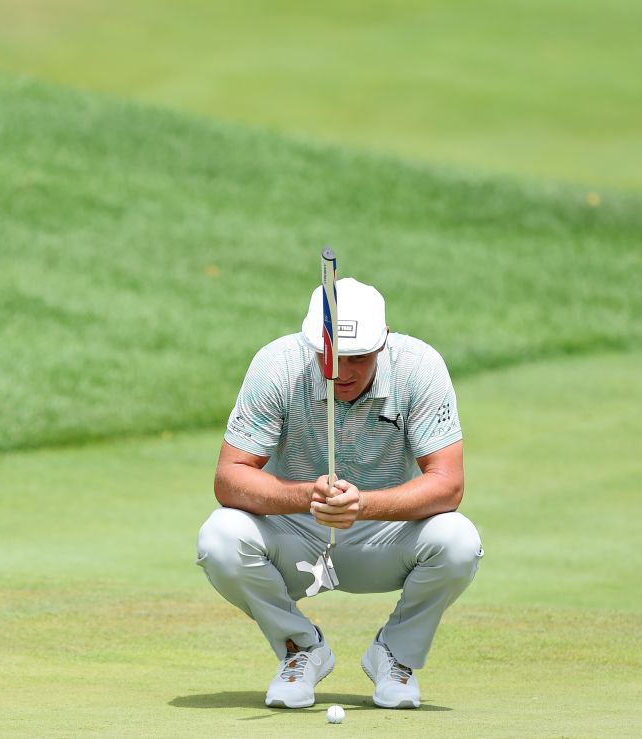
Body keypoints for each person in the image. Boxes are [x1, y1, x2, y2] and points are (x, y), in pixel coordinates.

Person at [196, 277, 483, 710]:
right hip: (295, 538)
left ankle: (395, 656)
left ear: (382, 342)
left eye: (358, 358)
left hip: (381, 539)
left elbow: (448, 483)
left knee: (459, 541)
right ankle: (301, 650)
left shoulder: (419, 366)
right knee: (219, 536)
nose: (341, 372)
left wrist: (364, 504)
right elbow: (230, 477)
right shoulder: (277, 365)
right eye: (330, 356)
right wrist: (305, 496)